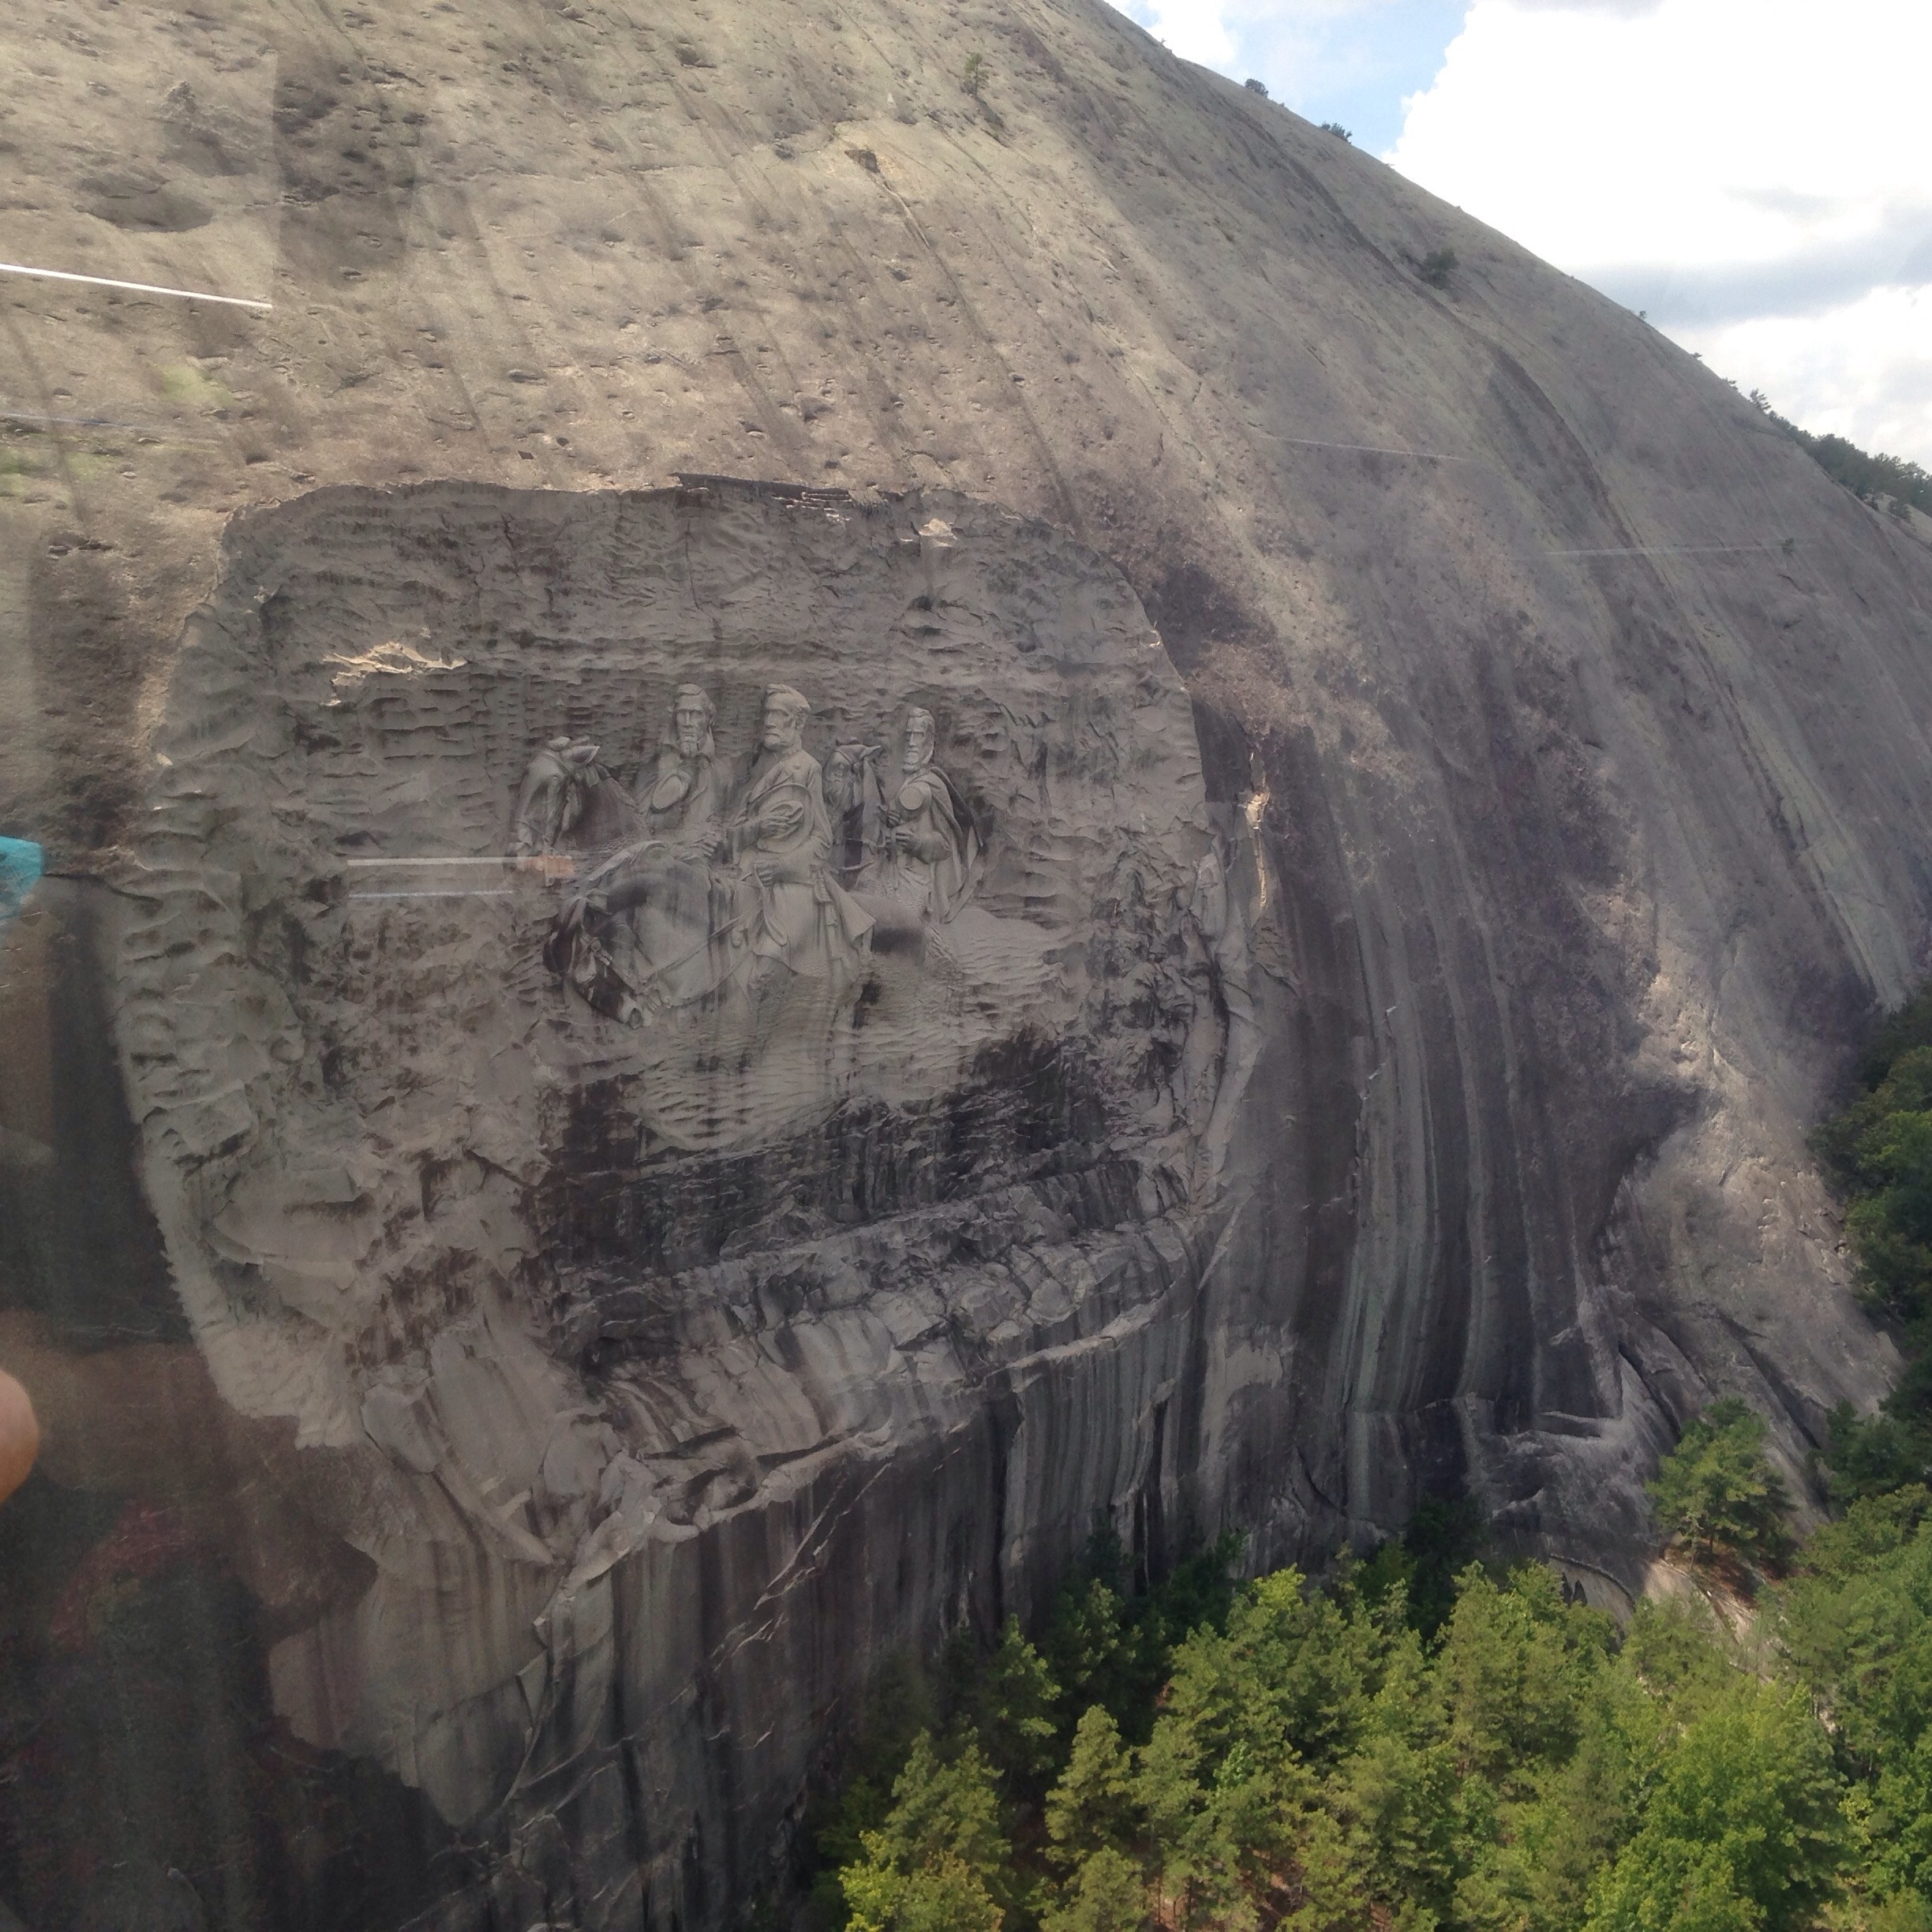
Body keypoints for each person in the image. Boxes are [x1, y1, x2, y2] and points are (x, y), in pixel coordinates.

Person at [859, 706, 977, 922]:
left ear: (929, 741)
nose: (912, 742)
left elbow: (944, 845)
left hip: (916, 878)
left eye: (919, 735)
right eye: (909, 735)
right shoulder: (903, 782)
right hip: (887, 870)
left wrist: (918, 843)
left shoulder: (933, 785)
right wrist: (889, 822)